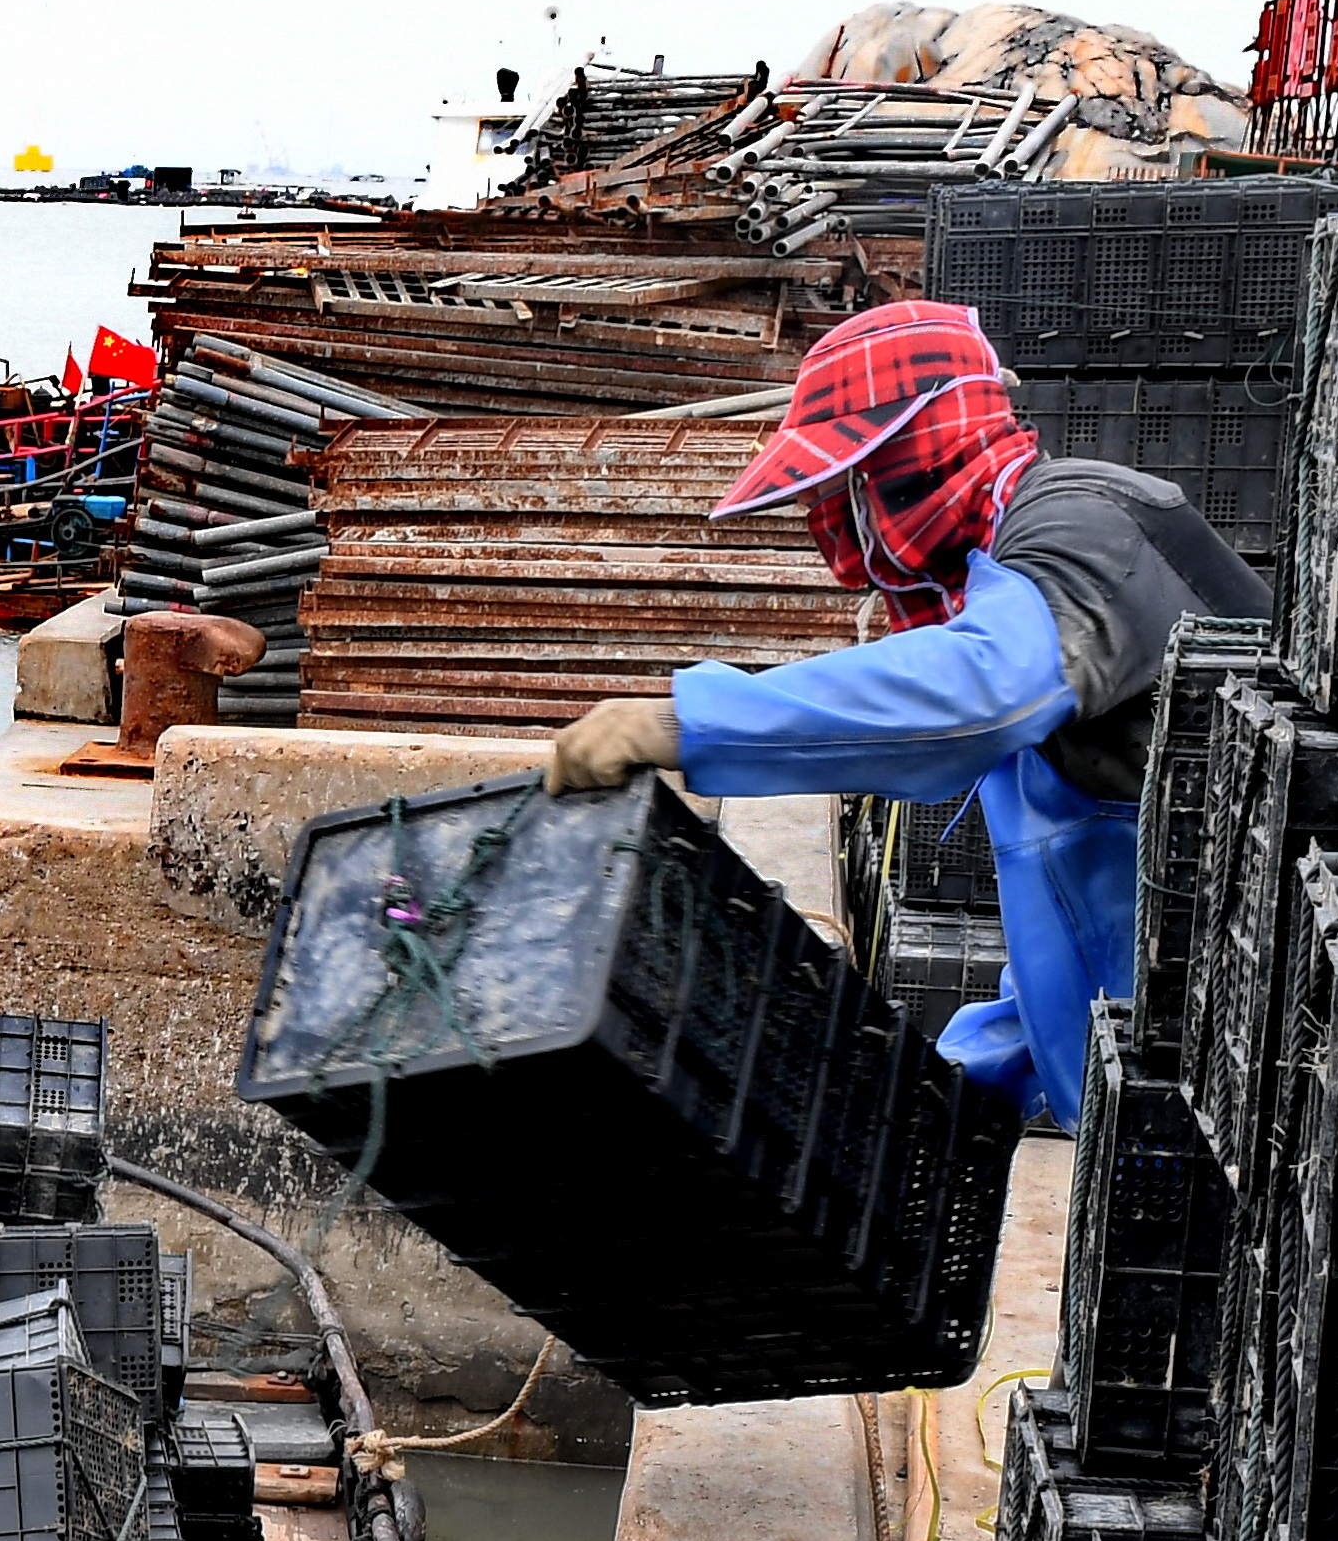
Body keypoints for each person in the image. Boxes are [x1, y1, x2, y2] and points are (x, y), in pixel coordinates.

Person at [540, 299, 1268, 1126]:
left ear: (908, 458)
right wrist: (953, 1081)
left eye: (852, 485)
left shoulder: (1085, 525)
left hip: (1257, 1078)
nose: (843, 526)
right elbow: (1083, 916)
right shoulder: (1001, 595)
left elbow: (974, 693)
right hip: (1158, 1105)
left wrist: (687, 723)